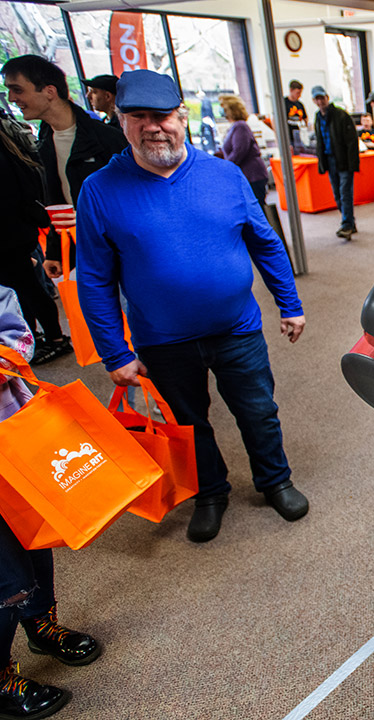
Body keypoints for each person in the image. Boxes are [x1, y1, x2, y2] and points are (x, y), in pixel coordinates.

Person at [76, 69, 308, 544]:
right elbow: (95, 279)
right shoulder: (100, 190)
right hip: (162, 339)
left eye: (162, 115)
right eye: (137, 117)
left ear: (181, 116)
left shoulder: (224, 174)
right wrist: (114, 353)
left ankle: (275, 480)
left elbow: (265, 243)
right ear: (120, 121)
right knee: (187, 423)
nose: (152, 126)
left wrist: (289, 303)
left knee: (258, 411)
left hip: (237, 329)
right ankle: (210, 492)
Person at [1, 285, 102, 720]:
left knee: (35, 538)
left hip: (15, 437)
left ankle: (41, 625)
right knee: (6, 577)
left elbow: (16, 330)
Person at [1, 55, 127, 285]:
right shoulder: (45, 140)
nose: (11, 98)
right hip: (81, 253)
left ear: (49, 91)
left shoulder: (108, 139)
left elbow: (134, 198)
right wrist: (54, 251)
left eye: (17, 89)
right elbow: (57, 203)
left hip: (120, 252)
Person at [0, 108, 68, 368]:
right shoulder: (10, 150)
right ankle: (35, 335)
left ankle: (53, 337)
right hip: (17, 234)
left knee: (26, 290)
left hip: (9, 237)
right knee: (22, 290)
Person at [311, 85, 359, 239]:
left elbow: (352, 142)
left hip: (343, 160)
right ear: (314, 100)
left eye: (322, 98)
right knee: (337, 195)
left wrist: (353, 164)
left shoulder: (341, 115)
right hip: (329, 160)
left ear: (327, 97)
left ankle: (346, 225)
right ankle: (350, 222)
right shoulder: (318, 117)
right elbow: (319, 141)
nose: (320, 101)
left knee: (345, 193)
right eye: (317, 99)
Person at [219, 94, 270, 206]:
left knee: (257, 210)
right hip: (248, 176)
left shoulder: (240, 126)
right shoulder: (235, 126)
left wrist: (225, 167)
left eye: (223, 107)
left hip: (253, 176)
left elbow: (239, 151)